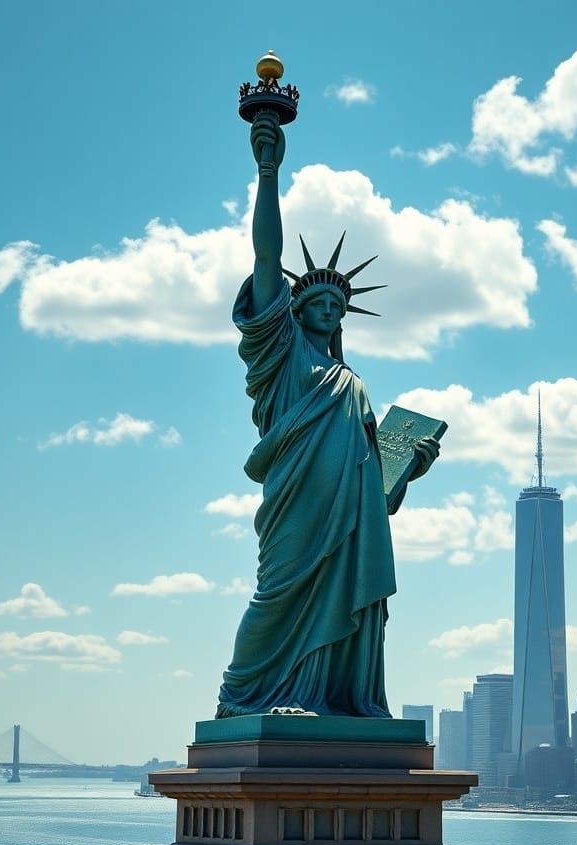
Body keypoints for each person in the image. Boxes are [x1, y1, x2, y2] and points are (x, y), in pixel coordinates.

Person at [216, 111, 439, 719]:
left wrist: (408, 469)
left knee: (353, 599)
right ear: (293, 310)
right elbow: (267, 257)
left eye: (337, 304)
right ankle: (243, 699)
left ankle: (342, 698)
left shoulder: (353, 384)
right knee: (278, 594)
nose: (328, 309)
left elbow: (376, 485)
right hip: (298, 505)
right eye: (315, 301)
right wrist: (268, 171)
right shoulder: (281, 358)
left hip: (351, 517)